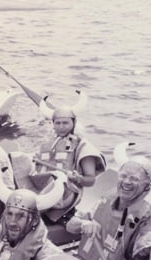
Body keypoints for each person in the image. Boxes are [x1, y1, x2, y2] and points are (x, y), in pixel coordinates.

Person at [23, 93, 106, 223]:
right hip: (43, 188)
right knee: (18, 161)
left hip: (65, 194)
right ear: (53, 124)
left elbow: (91, 180)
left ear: (74, 123)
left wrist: (78, 178)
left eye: (66, 123)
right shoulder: (49, 143)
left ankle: (29, 213)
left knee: (57, 180)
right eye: (58, 123)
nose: (61, 127)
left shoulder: (82, 146)